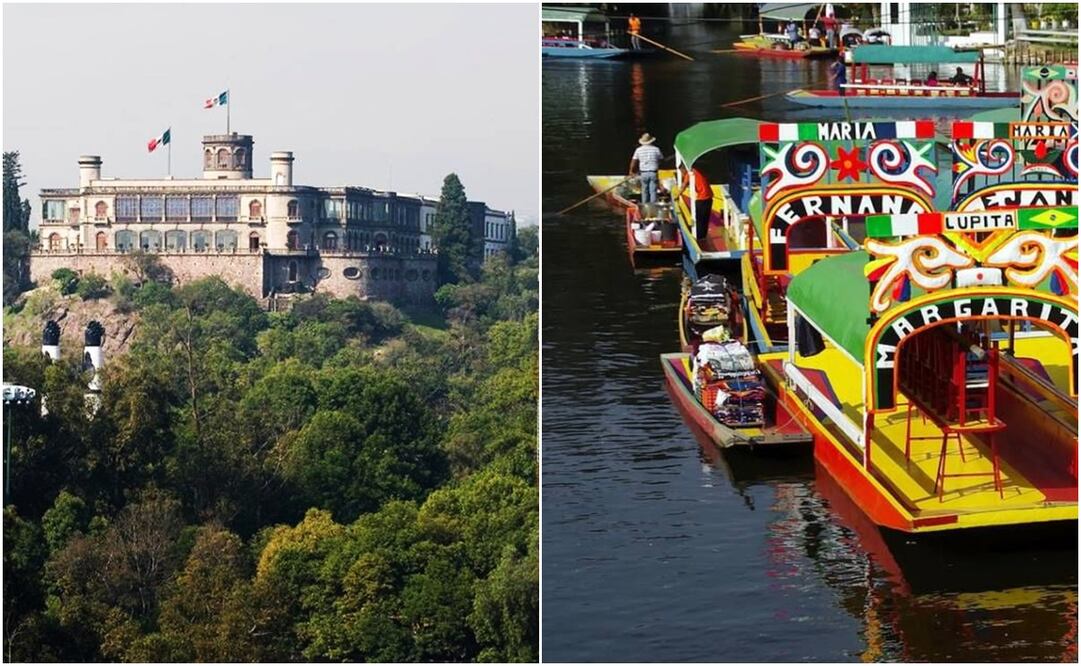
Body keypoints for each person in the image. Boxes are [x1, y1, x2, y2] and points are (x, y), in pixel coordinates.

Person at [674, 167, 714, 241]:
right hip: (709, 197)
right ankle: (703, 236)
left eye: (681, 172)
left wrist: (677, 195)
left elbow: (684, 186)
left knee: (698, 219)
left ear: (684, 169)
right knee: (705, 218)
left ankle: (698, 236)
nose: (682, 174)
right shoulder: (696, 171)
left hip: (702, 198)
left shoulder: (690, 174)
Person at [629, 133, 663, 205]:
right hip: (653, 172)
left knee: (644, 191)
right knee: (653, 191)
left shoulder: (638, 150)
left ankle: (645, 207)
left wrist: (631, 171)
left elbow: (634, 161)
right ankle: (653, 207)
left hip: (643, 173)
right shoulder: (656, 149)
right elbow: (661, 160)